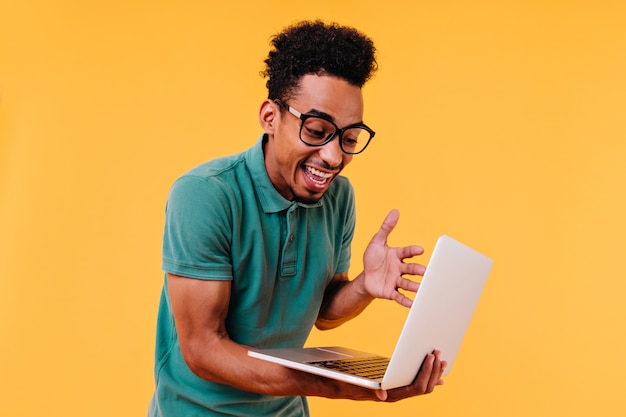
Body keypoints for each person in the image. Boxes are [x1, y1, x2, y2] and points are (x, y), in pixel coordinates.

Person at [148, 20, 446, 417]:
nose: (334, 157)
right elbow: (203, 349)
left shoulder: (339, 198)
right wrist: (343, 386)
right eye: (318, 130)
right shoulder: (205, 195)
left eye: (350, 138)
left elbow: (322, 312)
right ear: (270, 117)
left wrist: (364, 286)